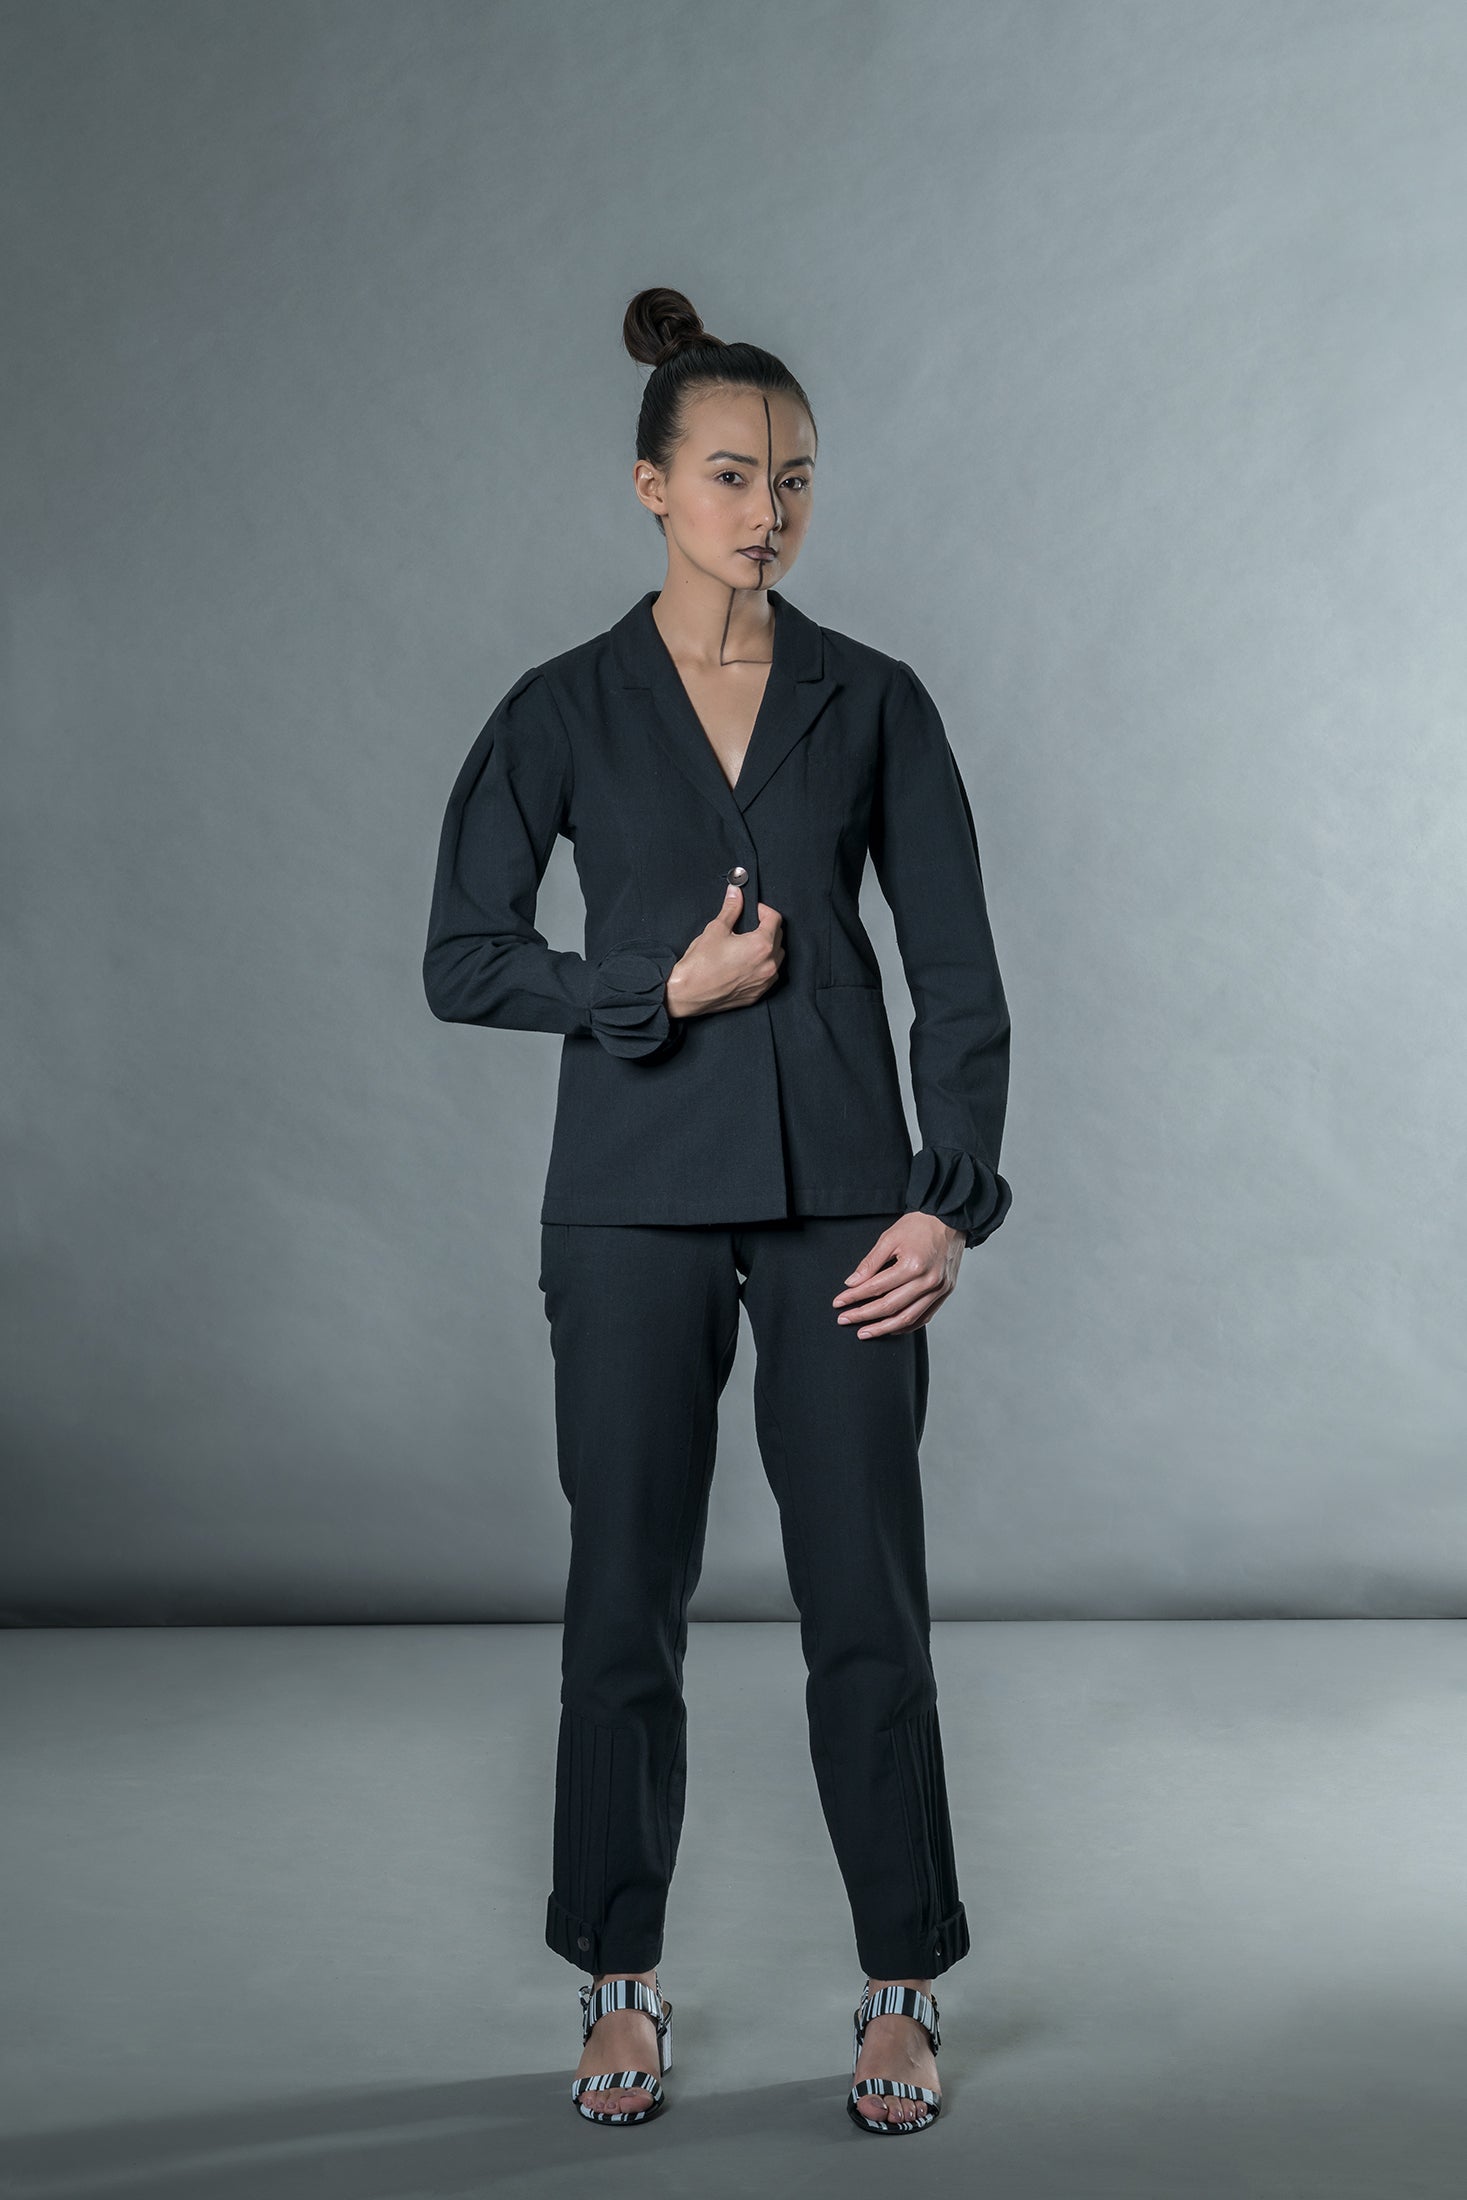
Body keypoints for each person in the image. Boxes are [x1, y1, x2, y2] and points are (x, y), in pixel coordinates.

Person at [422, 286, 1013, 2133]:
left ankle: (903, 1983)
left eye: (799, 480)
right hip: (629, 1202)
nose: (771, 512)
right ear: (653, 487)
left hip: (846, 1204)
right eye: (737, 476)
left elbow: (960, 978)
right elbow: (463, 956)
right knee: (625, 1600)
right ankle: (618, 1978)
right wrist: (651, 994)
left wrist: (948, 1203)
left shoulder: (876, 699)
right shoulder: (563, 707)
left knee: (868, 1605)